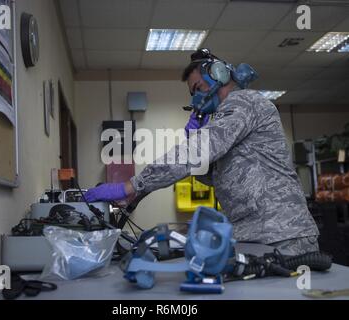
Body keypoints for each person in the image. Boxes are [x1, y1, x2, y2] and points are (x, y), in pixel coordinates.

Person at [84, 49, 320, 255]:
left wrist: (130, 187)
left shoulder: (245, 102)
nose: (196, 97)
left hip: (283, 231)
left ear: (218, 74)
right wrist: (195, 138)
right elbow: (210, 176)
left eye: (198, 87)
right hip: (255, 233)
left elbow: (196, 153)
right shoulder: (227, 119)